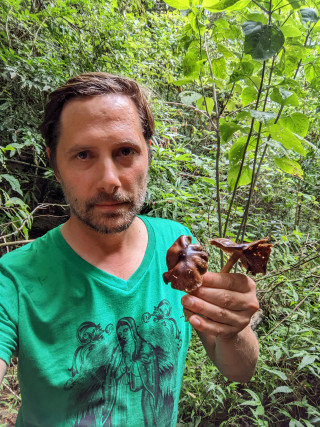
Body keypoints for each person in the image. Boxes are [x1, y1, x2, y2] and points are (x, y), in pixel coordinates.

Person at [0, 72, 259, 426]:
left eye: (125, 151)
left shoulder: (177, 246)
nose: (109, 180)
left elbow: (240, 370)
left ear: (148, 153)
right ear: (55, 163)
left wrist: (233, 330)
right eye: (83, 155)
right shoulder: (15, 278)